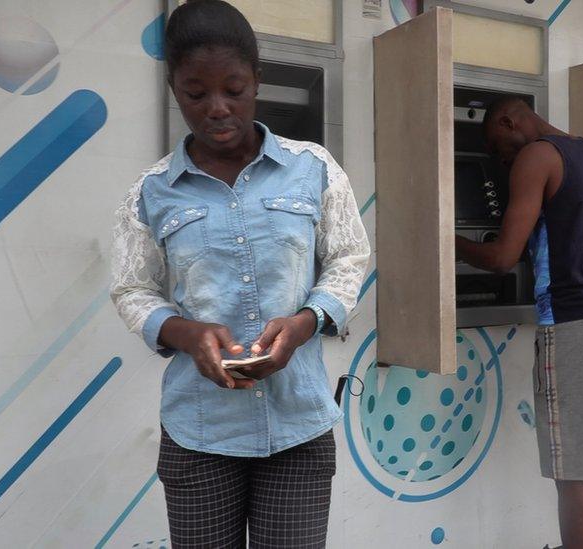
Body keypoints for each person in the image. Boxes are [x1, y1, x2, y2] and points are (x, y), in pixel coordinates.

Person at [109, 1, 370, 547]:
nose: (217, 108)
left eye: (234, 88)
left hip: (298, 425)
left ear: (258, 80)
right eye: (195, 93)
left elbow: (348, 259)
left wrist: (304, 323)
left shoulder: (314, 167)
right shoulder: (150, 191)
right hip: (199, 431)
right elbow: (133, 289)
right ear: (173, 89)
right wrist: (189, 335)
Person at [455, 97, 583, 549]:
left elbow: (501, 257)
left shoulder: (537, 157)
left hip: (574, 323)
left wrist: (446, 239)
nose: (503, 160)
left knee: (571, 469)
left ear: (509, 121)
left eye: (500, 148)